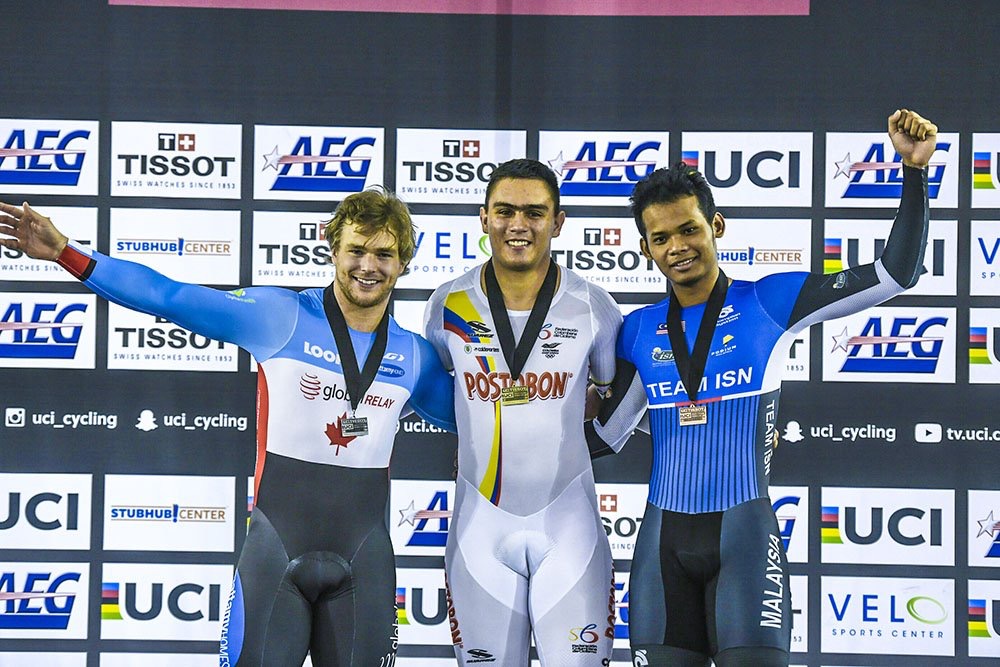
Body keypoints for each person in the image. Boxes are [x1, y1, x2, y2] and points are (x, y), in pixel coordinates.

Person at [0, 189, 456, 667]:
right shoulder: (279, 316)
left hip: (366, 565)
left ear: (404, 261)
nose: (368, 266)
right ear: (331, 247)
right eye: (356, 250)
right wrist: (65, 252)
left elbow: (487, 421)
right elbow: (169, 296)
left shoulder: (414, 357)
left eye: (384, 254)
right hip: (274, 555)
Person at [586, 109, 937, 667]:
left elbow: (895, 274)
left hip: (746, 544)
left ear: (716, 226)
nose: (677, 246)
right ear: (646, 247)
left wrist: (914, 173)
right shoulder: (636, 329)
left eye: (688, 229)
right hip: (659, 551)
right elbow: (603, 438)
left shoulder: (769, 302)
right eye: (661, 237)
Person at [423, 159, 622, 665]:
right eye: (505, 211)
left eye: (535, 212)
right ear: (483, 217)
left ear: (558, 222)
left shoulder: (593, 306)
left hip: (569, 525)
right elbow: (445, 391)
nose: (518, 225)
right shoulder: (447, 303)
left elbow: (606, 394)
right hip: (478, 528)